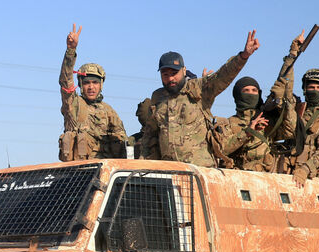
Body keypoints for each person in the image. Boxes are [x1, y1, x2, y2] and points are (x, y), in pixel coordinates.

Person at [137, 30, 260, 166]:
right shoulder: (158, 97)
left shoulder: (199, 89)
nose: (170, 78)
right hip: (169, 172)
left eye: (174, 73)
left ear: (184, 71)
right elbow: (150, 137)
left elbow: (222, 76)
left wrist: (243, 56)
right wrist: (145, 166)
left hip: (199, 171)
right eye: (165, 74)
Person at [218, 31, 305, 172]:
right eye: (246, 91)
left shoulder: (267, 122)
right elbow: (221, 150)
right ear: (237, 95)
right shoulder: (228, 124)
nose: (251, 94)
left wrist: (284, 101)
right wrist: (248, 132)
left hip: (265, 179)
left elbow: (290, 130)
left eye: (254, 91)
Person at [58, 23, 127, 162]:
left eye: (95, 83)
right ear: (80, 85)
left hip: (102, 170)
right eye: (87, 83)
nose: (91, 87)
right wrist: (71, 51)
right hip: (75, 170)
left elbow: (122, 142)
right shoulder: (73, 104)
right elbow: (65, 81)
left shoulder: (108, 111)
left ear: (101, 85)